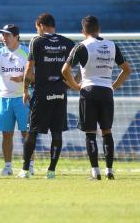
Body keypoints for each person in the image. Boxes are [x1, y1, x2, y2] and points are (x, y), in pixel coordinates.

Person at [62, 15, 131, 180]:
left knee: (90, 133)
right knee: (107, 131)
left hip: (89, 91)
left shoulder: (82, 46)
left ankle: (95, 172)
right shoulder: (112, 45)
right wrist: (113, 86)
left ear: (83, 31)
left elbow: (65, 70)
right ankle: (109, 171)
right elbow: (126, 70)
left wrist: (75, 86)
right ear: (99, 29)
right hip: (107, 91)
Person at [18, 13, 75, 179]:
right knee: (57, 133)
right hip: (60, 93)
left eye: (37, 27)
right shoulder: (68, 42)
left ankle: (25, 170)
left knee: (32, 132)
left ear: (41, 25)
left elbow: (29, 69)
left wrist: (25, 90)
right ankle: (51, 171)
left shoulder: (37, 41)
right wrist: (73, 85)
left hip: (42, 93)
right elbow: (78, 69)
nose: (37, 30)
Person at [0, 24, 34, 176]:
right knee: (6, 134)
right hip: (4, 98)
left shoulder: (27, 52)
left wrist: (22, 78)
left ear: (16, 37)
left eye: (7, 35)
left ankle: (29, 165)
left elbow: (36, 75)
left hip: (23, 98)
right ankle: (8, 166)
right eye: (3, 35)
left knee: (26, 133)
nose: (3, 38)